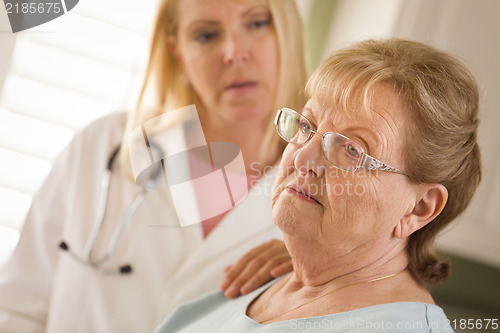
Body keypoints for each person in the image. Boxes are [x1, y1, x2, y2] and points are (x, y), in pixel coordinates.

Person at [0, 0, 307, 332]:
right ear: (177, 53)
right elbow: (17, 308)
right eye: (206, 35)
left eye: (257, 24)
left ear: (288, 34)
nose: (234, 52)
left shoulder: (319, 188)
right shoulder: (105, 144)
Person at [153, 38, 482, 332]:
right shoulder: (267, 281)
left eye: (352, 149)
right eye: (306, 125)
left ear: (420, 207)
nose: (301, 159)